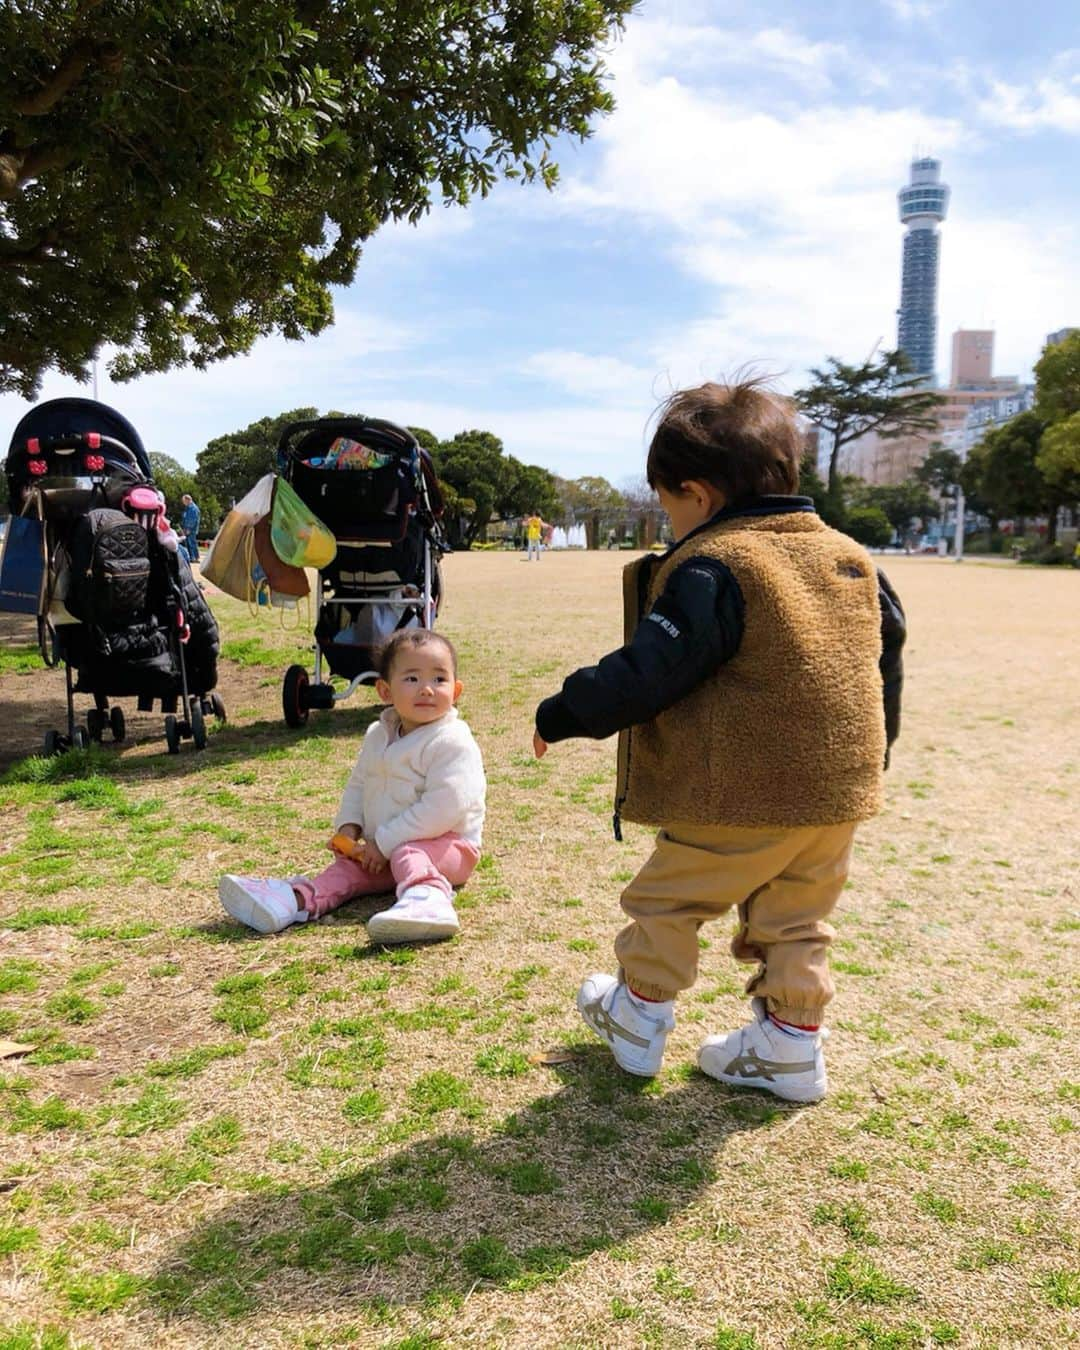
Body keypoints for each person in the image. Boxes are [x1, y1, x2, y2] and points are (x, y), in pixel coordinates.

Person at [533, 377, 905, 1102]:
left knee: (671, 900)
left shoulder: (719, 563)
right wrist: (875, 755)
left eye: (667, 503)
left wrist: (564, 711)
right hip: (837, 792)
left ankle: (638, 1014)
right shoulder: (851, 558)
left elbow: (650, 670)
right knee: (796, 915)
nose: (669, 521)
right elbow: (883, 657)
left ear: (696, 494)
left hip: (740, 785)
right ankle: (789, 1045)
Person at [218, 629, 486, 943]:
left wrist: (385, 842)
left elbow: (443, 808)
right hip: (382, 848)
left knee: (407, 852)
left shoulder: (452, 741)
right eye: (412, 679)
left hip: (448, 848)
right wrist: (349, 828)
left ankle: (428, 900)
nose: (427, 689)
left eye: (439, 680)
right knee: (347, 870)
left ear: (456, 690)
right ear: (385, 691)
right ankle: (296, 901)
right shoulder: (377, 734)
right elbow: (360, 785)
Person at [180, 493, 201, 564]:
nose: (183, 503)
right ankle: (192, 557)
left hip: (191, 530)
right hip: (186, 529)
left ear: (188, 500)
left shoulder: (193, 508)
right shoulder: (188, 508)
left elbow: (193, 520)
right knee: (188, 544)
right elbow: (185, 518)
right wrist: (183, 528)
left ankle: (195, 557)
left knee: (192, 543)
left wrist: (188, 529)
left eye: (184, 501)